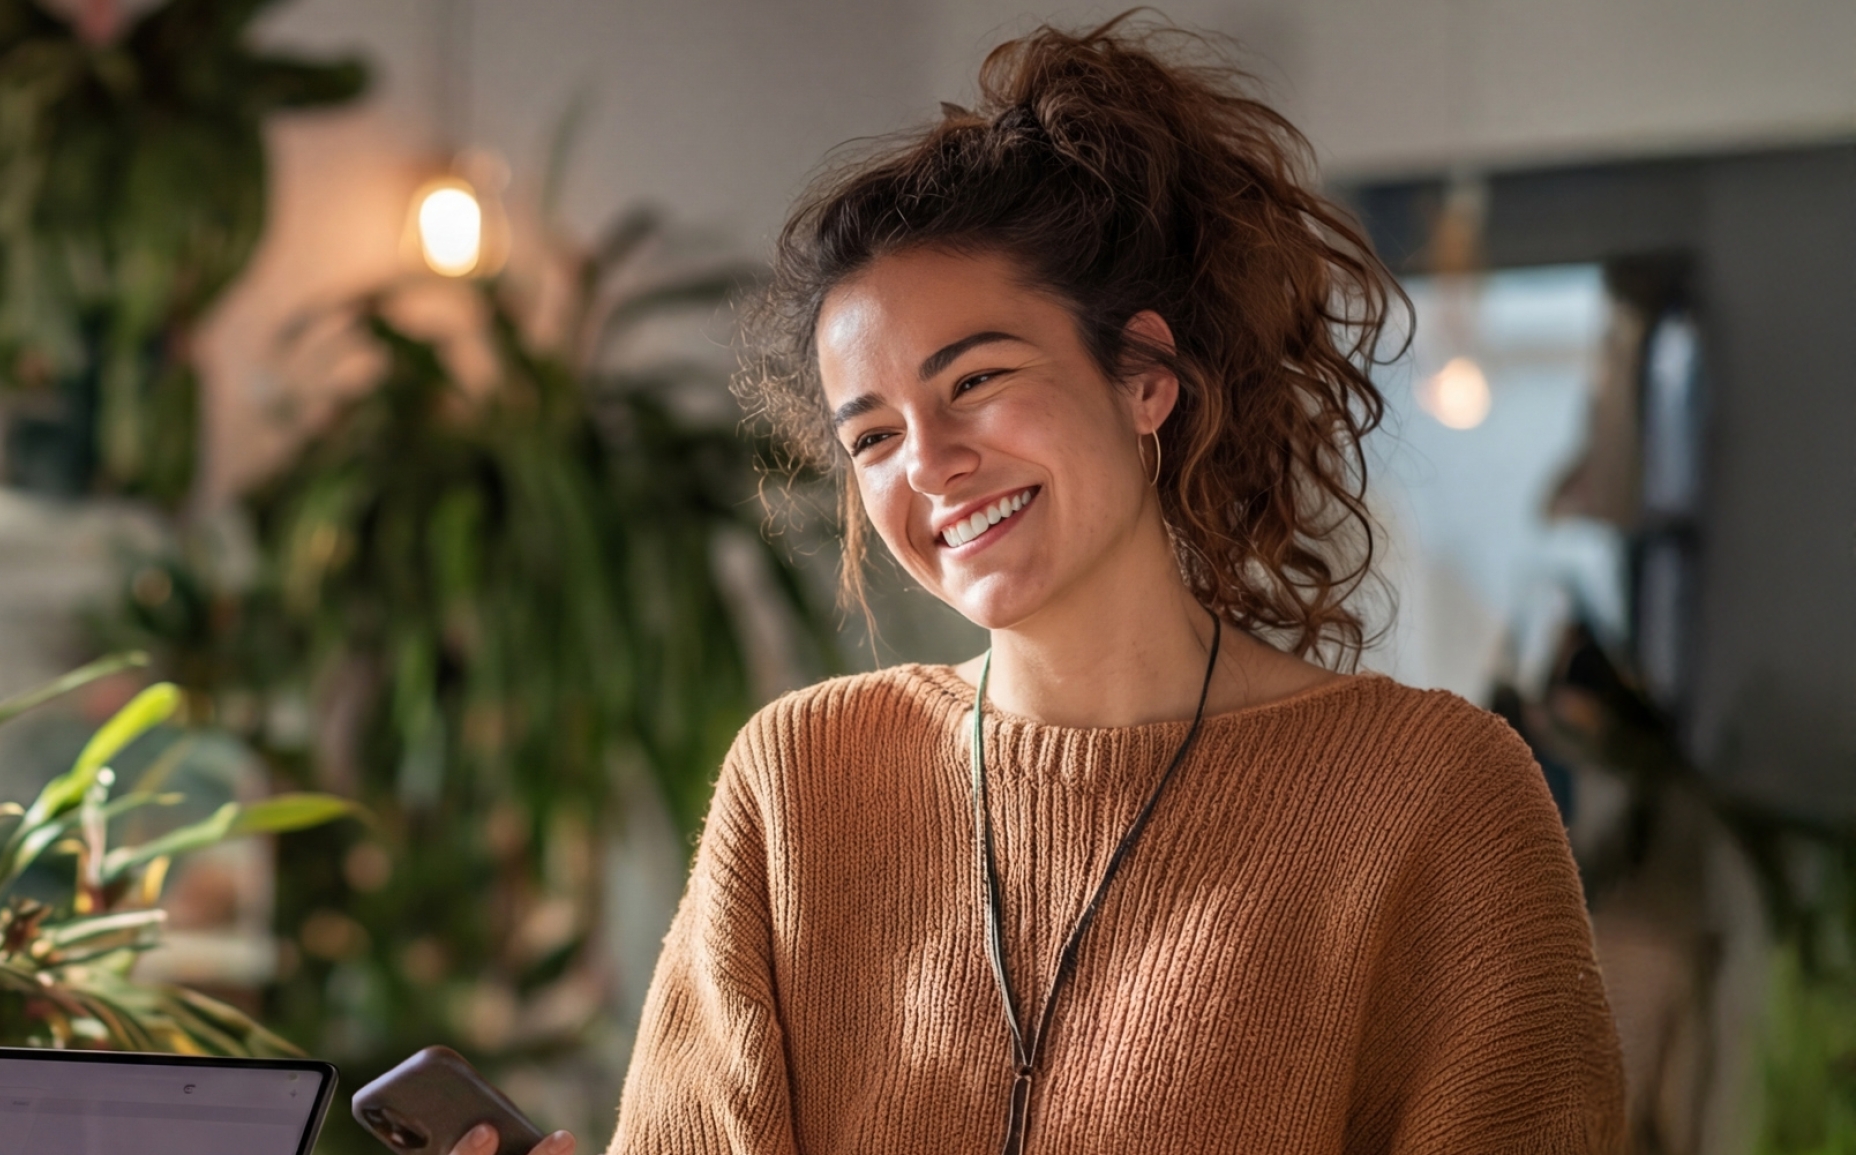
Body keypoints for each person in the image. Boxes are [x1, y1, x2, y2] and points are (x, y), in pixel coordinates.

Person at [601, 17, 1622, 1155]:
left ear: (1144, 373)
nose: (929, 464)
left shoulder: (1436, 801)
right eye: (874, 437)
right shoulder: (798, 785)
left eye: (976, 379)